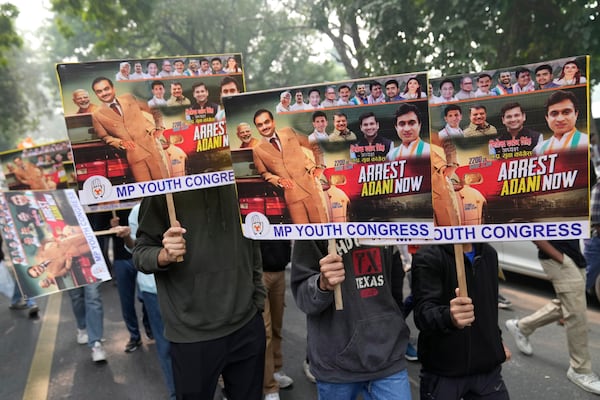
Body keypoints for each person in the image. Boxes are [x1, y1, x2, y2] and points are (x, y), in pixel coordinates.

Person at [132, 185, 266, 399]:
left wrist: (258, 300)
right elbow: (140, 254)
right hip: (191, 335)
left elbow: (252, 245)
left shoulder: (238, 179)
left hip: (246, 324)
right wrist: (164, 254)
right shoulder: (161, 189)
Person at [291, 239, 412, 399]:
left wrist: (394, 323)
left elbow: (395, 286)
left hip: (389, 356)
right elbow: (303, 295)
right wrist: (322, 284)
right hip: (336, 361)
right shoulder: (313, 222)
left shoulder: (385, 216)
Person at [412, 240, 510, 399]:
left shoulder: (489, 254)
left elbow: (489, 307)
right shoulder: (429, 256)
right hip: (444, 371)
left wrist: (496, 340)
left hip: (487, 371)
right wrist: (449, 317)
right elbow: (423, 314)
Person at [505, 239, 600, 395]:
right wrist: (560, 258)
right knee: (576, 313)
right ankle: (580, 369)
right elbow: (531, 227)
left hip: (574, 256)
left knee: (570, 304)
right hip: (557, 257)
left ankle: (522, 327)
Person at [128, 204, 176, 399]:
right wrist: (163, 255)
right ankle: (175, 393)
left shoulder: (186, 200)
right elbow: (137, 251)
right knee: (166, 346)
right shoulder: (137, 210)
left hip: (189, 288)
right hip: (153, 289)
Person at [252, 109, 328, 224]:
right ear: (257, 128)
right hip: (292, 195)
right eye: (260, 125)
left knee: (321, 230)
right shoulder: (257, 150)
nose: (264, 127)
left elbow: (314, 144)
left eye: (266, 122)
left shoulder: (288, 132)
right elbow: (264, 173)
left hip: (311, 187)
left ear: (273, 122)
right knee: (302, 234)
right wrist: (278, 180)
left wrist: (320, 166)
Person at [90, 76, 169, 182]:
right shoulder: (97, 115)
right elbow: (104, 137)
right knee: (146, 192)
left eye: (106, 89)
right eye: (99, 91)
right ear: (96, 94)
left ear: (113, 89)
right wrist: (120, 143)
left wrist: (159, 127)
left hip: (152, 148)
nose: (104, 93)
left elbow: (154, 109)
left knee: (165, 186)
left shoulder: (129, 98)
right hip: (134, 156)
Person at [261, 240, 293, 400]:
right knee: (265, 330)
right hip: (260, 270)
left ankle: (276, 369)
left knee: (276, 326)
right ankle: (269, 386)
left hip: (279, 267)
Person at [535, 90, 588, 155]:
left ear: (576, 114)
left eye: (566, 112)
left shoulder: (586, 142)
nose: (560, 119)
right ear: (547, 118)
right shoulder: (539, 150)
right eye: (554, 114)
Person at [68, 281, 106, 362]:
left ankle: (96, 343)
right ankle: (82, 328)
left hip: (90, 268)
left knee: (93, 296)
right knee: (76, 297)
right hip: (67, 270)